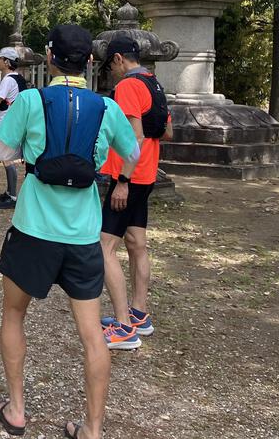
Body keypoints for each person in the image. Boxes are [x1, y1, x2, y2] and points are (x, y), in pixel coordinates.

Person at [0, 24, 140, 439]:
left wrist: (32, 154)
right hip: (82, 234)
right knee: (92, 333)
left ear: (49, 56)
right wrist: (117, 178)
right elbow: (133, 151)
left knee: (14, 313)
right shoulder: (106, 107)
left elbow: (4, 151)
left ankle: (17, 410)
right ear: (90, 61)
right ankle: (92, 429)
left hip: (33, 227)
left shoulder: (30, 100)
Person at [97, 36, 172, 350]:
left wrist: (123, 180)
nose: (110, 74)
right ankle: (139, 313)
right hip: (148, 172)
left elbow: (136, 135)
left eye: (109, 67)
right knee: (136, 242)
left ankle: (124, 328)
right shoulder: (154, 83)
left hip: (128, 176)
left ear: (117, 59)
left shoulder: (128, 86)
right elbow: (165, 131)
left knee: (104, 247)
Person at [0, 46, 28, 209]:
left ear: (7, 62)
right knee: (6, 158)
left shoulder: (8, 79)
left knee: (7, 159)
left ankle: (13, 196)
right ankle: (9, 193)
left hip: (5, 122)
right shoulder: (18, 78)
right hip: (13, 121)